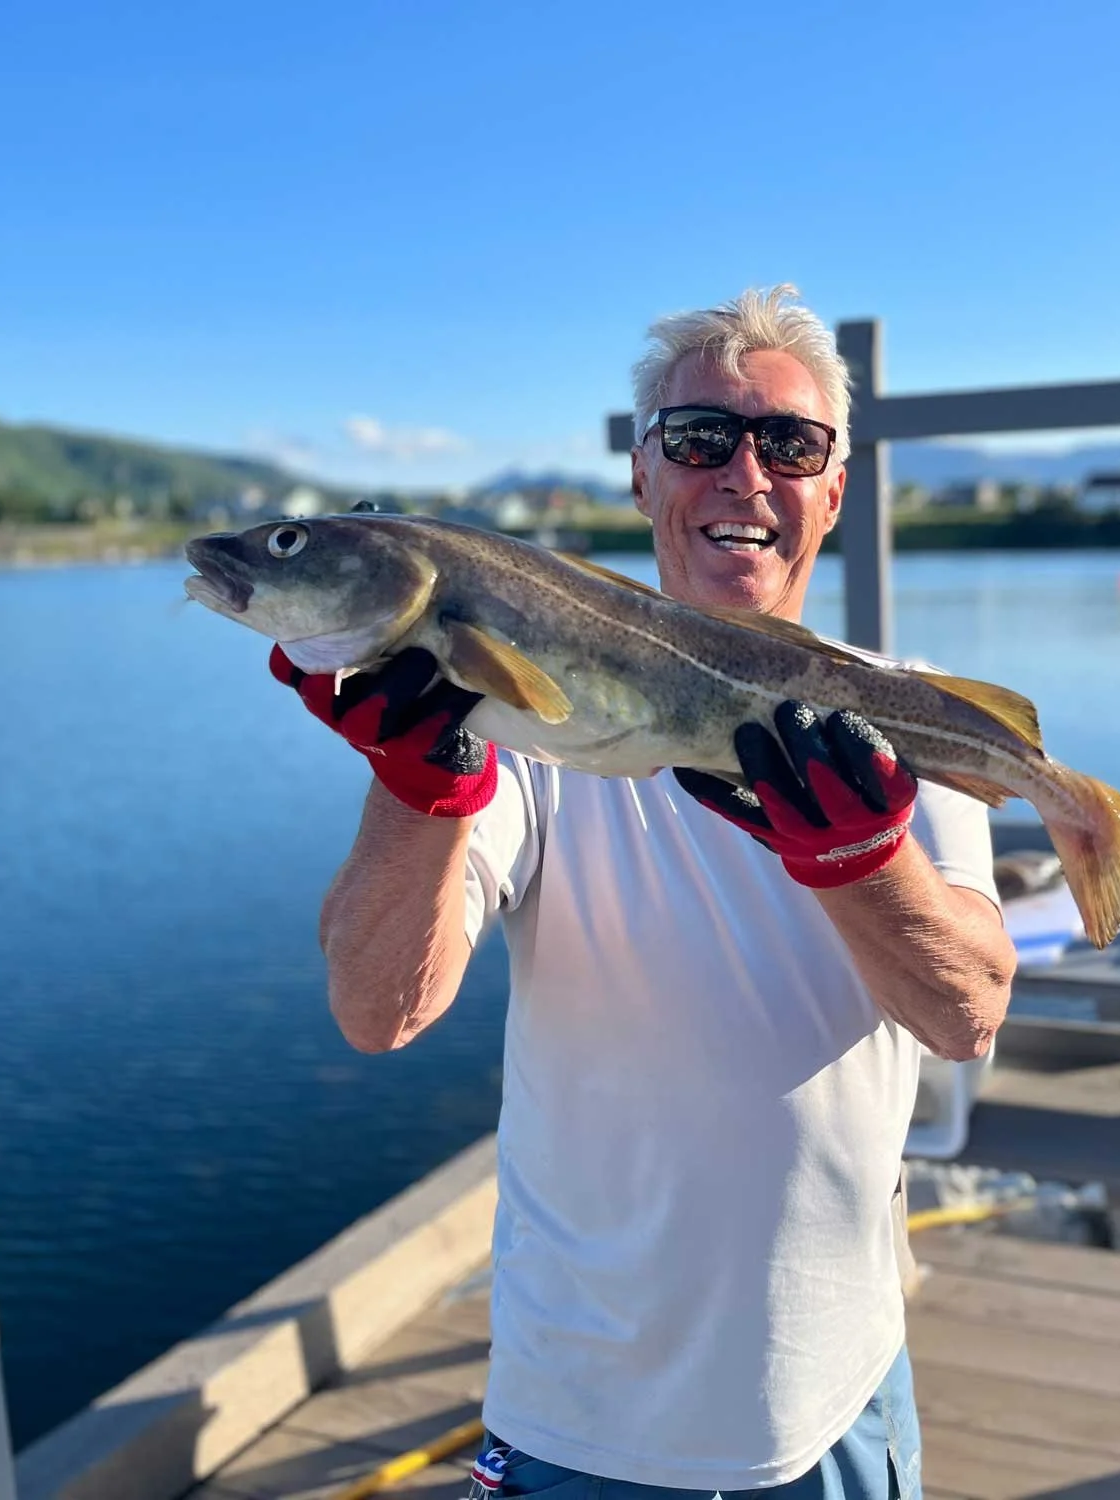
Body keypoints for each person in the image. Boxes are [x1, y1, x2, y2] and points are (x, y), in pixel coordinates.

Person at [270, 285, 1017, 1499]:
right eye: (696, 438)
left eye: (790, 443)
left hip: (844, 1392)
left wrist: (860, 860)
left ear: (832, 491)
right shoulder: (517, 715)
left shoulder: (898, 717)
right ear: (641, 475)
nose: (743, 473)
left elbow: (965, 1014)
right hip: (583, 1423)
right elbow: (376, 1009)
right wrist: (422, 785)